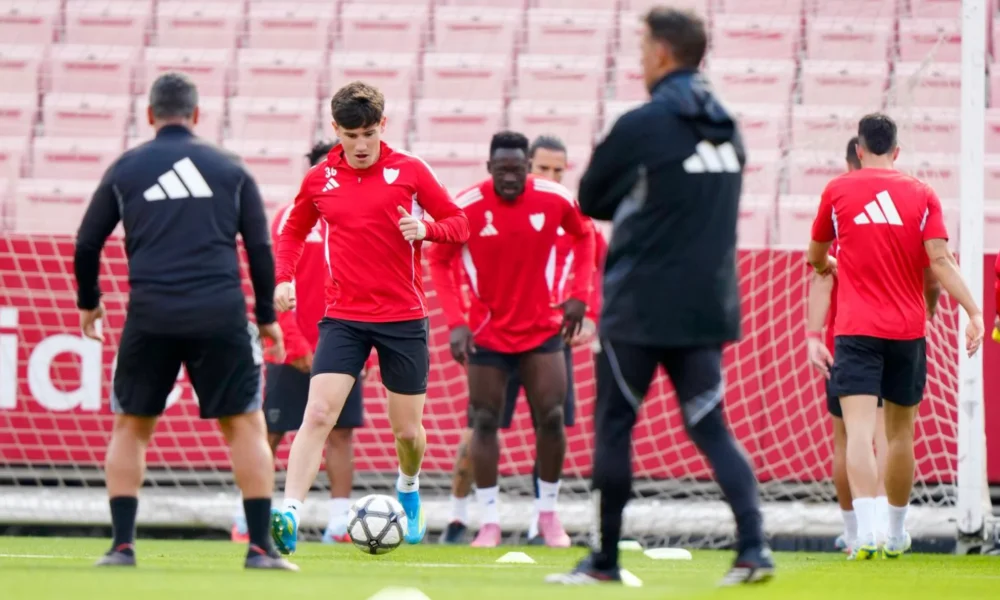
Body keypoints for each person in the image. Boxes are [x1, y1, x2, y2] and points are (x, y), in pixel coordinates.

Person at [547, 7, 773, 586]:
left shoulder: (643, 124)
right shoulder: (727, 124)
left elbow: (592, 198)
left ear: (664, 54)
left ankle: (604, 561)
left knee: (615, 427)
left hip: (640, 305)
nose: (639, 58)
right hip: (707, 305)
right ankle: (753, 549)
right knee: (710, 425)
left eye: (644, 47)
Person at [73, 72, 295, 570]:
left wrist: (90, 301)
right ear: (197, 116)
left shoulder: (127, 168)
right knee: (244, 425)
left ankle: (122, 547)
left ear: (150, 115)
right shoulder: (228, 168)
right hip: (219, 313)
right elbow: (259, 248)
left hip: (150, 314)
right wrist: (265, 316)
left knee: (131, 426)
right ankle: (260, 549)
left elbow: (87, 242)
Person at [270, 81, 469, 554]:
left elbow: (459, 223)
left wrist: (427, 229)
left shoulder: (410, 171)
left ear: (383, 125)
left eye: (368, 134)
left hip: (403, 317)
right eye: (350, 135)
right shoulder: (320, 179)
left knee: (407, 433)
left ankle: (409, 484)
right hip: (343, 318)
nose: (360, 145)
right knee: (316, 413)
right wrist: (284, 278)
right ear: (335, 129)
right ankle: (289, 513)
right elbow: (293, 232)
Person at [808, 113, 985, 560]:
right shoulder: (923, 194)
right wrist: (974, 310)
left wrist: (825, 265)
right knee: (900, 436)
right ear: (898, 151)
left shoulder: (837, 190)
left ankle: (863, 535)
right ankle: (895, 533)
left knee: (858, 433)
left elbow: (817, 255)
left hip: (855, 331)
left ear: (860, 149)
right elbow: (940, 262)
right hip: (907, 329)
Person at [428, 131, 595, 548]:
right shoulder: (465, 206)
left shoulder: (555, 198)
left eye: (517, 170)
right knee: (483, 421)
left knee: (552, 417)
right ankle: (488, 522)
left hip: (542, 330)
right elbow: (439, 258)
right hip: (488, 333)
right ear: (489, 169)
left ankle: (549, 517)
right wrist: (456, 321)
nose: (509, 177)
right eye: (501, 170)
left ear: (527, 168)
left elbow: (586, 235)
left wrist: (581, 296)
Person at [231, 140, 372, 545]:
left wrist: (367, 347)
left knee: (342, 432)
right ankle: (247, 517)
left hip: (344, 343)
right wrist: (292, 343)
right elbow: (275, 284)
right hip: (293, 350)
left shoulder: (357, 219)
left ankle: (339, 525)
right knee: (272, 431)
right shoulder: (290, 219)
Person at [805, 136, 936, 553]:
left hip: (848, 336)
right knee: (891, 434)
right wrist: (929, 311)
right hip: (900, 330)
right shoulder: (906, 200)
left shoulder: (840, 203)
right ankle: (885, 530)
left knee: (849, 439)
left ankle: (855, 532)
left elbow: (819, 272)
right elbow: (933, 269)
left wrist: (812, 334)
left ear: (855, 158)